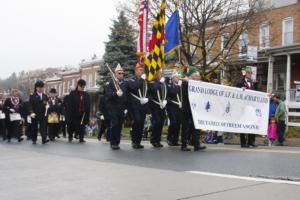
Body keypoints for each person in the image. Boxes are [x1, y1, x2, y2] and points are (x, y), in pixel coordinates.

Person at [181, 69, 206, 151]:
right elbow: (185, 94)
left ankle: (196, 144)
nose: (198, 77)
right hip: (187, 108)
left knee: (196, 127)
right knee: (185, 127)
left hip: (196, 109)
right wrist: (188, 83)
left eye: (199, 76)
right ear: (192, 76)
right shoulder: (185, 83)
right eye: (196, 76)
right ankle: (184, 145)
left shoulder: (199, 84)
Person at [105, 64, 128, 150]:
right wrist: (115, 94)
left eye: (122, 73)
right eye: (119, 73)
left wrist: (126, 108)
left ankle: (117, 142)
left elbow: (126, 96)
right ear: (115, 74)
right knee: (114, 124)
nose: (121, 75)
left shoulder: (125, 84)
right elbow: (107, 95)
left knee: (119, 125)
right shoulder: (110, 83)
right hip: (113, 107)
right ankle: (112, 142)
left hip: (121, 108)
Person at [128, 62, 149, 149]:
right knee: (137, 121)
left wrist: (148, 99)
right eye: (139, 70)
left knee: (141, 123)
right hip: (135, 105)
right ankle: (134, 141)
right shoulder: (131, 80)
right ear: (135, 71)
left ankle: (138, 141)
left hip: (143, 105)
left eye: (142, 70)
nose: (141, 71)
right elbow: (134, 87)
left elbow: (149, 92)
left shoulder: (145, 81)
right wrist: (141, 80)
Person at [236, 67, 257, 148]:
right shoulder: (239, 82)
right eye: (249, 73)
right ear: (245, 73)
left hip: (251, 107)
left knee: (252, 123)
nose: (250, 74)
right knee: (244, 124)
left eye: (251, 73)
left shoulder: (253, 83)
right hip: (243, 107)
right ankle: (243, 142)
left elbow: (257, 93)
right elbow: (234, 92)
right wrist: (240, 89)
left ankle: (251, 141)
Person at [148, 69, 167, 148]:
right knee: (157, 123)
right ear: (156, 74)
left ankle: (158, 140)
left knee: (161, 123)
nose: (161, 75)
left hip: (162, 106)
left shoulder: (163, 83)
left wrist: (165, 101)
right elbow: (154, 88)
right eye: (160, 73)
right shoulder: (153, 82)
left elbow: (166, 92)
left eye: (162, 73)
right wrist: (160, 83)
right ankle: (153, 139)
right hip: (155, 105)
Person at [29, 80, 49, 144]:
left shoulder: (45, 96)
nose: (40, 89)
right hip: (35, 114)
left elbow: (46, 104)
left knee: (43, 127)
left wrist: (47, 106)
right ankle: (34, 139)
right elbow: (30, 105)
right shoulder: (32, 96)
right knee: (34, 127)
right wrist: (31, 112)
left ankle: (44, 139)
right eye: (39, 87)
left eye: (42, 87)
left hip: (42, 114)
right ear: (36, 88)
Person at [166, 70, 181, 146]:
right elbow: (168, 95)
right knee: (173, 123)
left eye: (178, 77)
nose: (177, 78)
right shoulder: (169, 86)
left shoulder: (179, 86)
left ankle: (175, 139)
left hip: (178, 107)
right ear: (172, 78)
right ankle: (169, 138)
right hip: (171, 107)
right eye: (176, 77)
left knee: (178, 124)